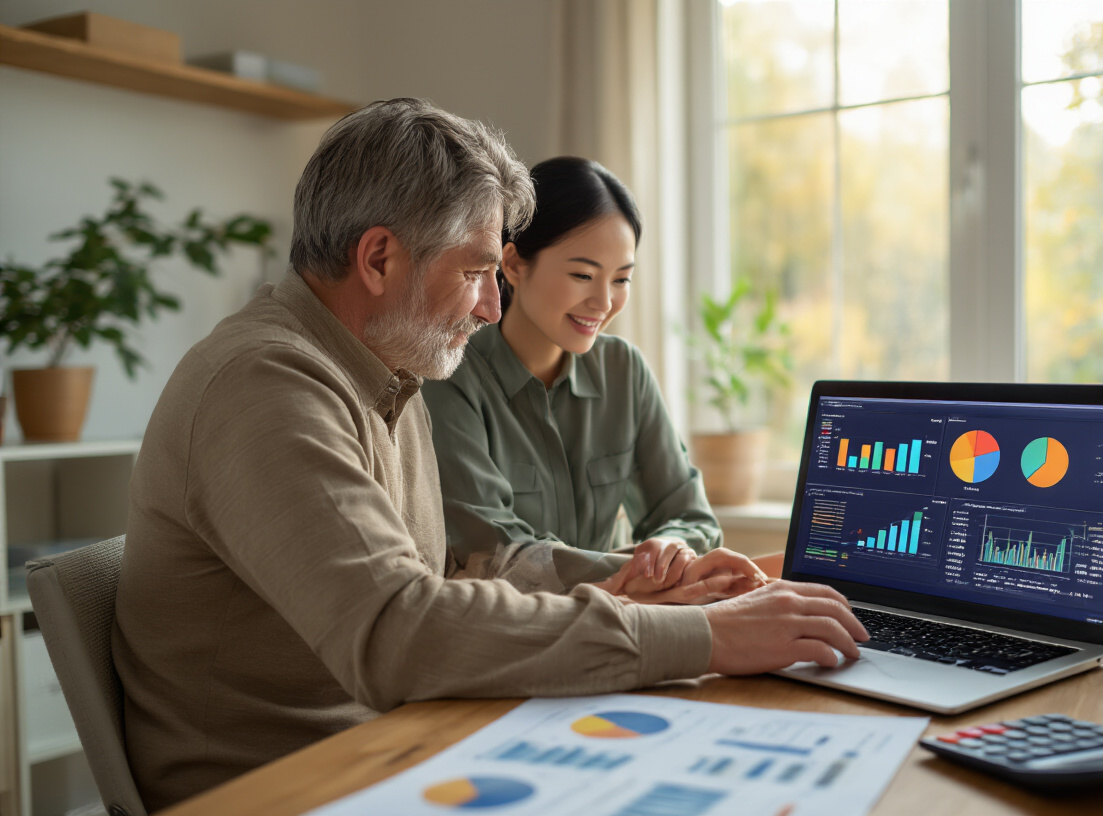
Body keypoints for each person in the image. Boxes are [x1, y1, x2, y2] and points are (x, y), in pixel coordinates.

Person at [111, 98, 868, 811]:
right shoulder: (267, 385)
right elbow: (397, 630)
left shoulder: (386, 375)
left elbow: (449, 579)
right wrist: (707, 637)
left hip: (395, 746)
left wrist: (632, 589)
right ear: (379, 258)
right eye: (475, 272)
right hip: (288, 785)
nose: (490, 306)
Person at [423, 156, 761, 599]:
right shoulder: (451, 375)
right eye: (583, 275)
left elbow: (691, 517)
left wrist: (671, 548)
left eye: (621, 280)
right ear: (514, 264)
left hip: (625, 619)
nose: (603, 302)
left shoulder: (624, 371)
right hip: (510, 628)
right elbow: (491, 549)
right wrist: (639, 570)